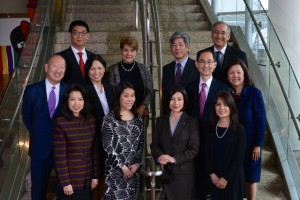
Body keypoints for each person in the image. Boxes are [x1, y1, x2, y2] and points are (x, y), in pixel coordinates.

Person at [185, 49, 230, 199]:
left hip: (216, 143)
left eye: (209, 61)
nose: (206, 65)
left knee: (215, 188)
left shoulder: (224, 88)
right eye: (202, 62)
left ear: (215, 64)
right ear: (196, 65)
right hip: (193, 145)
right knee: (197, 187)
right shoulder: (188, 88)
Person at [22, 54, 67, 200]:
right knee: (38, 190)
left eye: (62, 67)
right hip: (39, 150)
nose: (59, 70)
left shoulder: (70, 91)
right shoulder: (31, 90)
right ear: (46, 67)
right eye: (55, 66)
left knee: (65, 191)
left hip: (64, 150)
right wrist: (39, 134)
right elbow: (27, 118)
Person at [226, 59, 266, 200]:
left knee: (251, 177)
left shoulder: (254, 93)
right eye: (232, 73)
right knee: (234, 175)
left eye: (238, 72)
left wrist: (258, 145)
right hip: (232, 144)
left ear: (244, 74)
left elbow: (261, 121)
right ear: (227, 76)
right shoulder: (225, 94)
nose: (235, 75)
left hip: (250, 145)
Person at [151, 85, 199, 200]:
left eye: (179, 99)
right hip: (165, 175)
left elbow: (194, 149)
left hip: (184, 177)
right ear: (167, 101)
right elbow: (154, 145)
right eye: (172, 99)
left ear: (184, 100)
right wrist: (160, 156)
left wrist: (174, 159)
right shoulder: (160, 121)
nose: (176, 103)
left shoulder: (192, 122)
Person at [53, 84, 99, 199]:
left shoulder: (91, 120)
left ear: (84, 101)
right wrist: (65, 182)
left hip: (87, 180)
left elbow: (95, 151)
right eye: (72, 99)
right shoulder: (61, 123)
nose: (76, 103)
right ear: (67, 102)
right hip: (69, 183)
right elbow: (60, 156)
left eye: (80, 99)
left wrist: (95, 176)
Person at [101, 81, 144, 199]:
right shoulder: (109, 119)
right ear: (118, 96)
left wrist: (136, 164)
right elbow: (108, 147)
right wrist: (123, 167)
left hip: (133, 172)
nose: (130, 99)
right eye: (126, 95)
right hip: (115, 173)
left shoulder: (138, 119)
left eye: (132, 95)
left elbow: (140, 144)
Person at [84, 54, 115, 199]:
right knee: (98, 176)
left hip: (112, 139)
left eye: (99, 68)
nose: (96, 72)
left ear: (105, 69)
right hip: (94, 140)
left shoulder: (110, 88)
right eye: (92, 69)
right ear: (87, 70)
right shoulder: (84, 90)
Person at [205, 92, 246, 200]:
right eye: (218, 104)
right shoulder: (210, 128)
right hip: (215, 179)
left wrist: (225, 178)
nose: (221, 108)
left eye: (225, 104)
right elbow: (206, 154)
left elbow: (238, 158)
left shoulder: (239, 129)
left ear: (231, 107)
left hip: (233, 179)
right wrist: (212, 175)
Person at [108, 35, 153, 117]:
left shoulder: (144, 69)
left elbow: (149, 91)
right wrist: (122, 111)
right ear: (121, 51)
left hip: (140, 114)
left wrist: (142, 107)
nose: (129, 53)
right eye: (126, 50)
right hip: (120, 114)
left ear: (136, 52)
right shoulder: (112, 69)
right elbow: (111, 93)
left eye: (132, 50)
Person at [162, 31, 199, 114]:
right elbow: (165, 96)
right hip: (170, 116)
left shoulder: (197, 67)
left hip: (190, 116)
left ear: (188, 47)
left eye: (180, 45)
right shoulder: (166, 69)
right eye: (174, 45)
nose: (177, 48)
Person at [57, 20, 95, 85]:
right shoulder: (59, 57)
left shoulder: (94, 57)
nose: (80, 36)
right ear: (69, 35)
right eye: (76, 33)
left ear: (88, 35)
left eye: (83, 33)